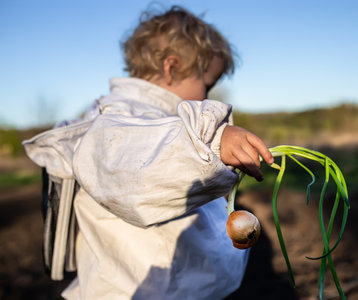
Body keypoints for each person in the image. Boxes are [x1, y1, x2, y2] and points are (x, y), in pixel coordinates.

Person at [23, 5, 273, 299]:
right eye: (207, 84)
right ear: (171, 67)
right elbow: (143, 167)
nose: (207, 97)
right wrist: (212, 141)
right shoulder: (121, 121)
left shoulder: (152, 121)